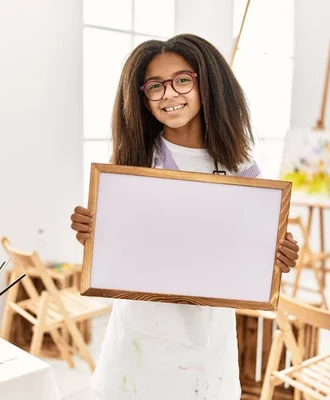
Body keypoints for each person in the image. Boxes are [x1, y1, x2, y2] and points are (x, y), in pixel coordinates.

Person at [70, 34, 300, 399]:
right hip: (139, 331)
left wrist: (277, 256)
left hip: (206, 335)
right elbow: (119, 246)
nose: (170, 95)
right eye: (155, 86)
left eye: (182, 80)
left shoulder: (239, 165)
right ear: (143, 99)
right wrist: (93, 235)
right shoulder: (134, 162)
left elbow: (255, 246)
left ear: (205, 82)